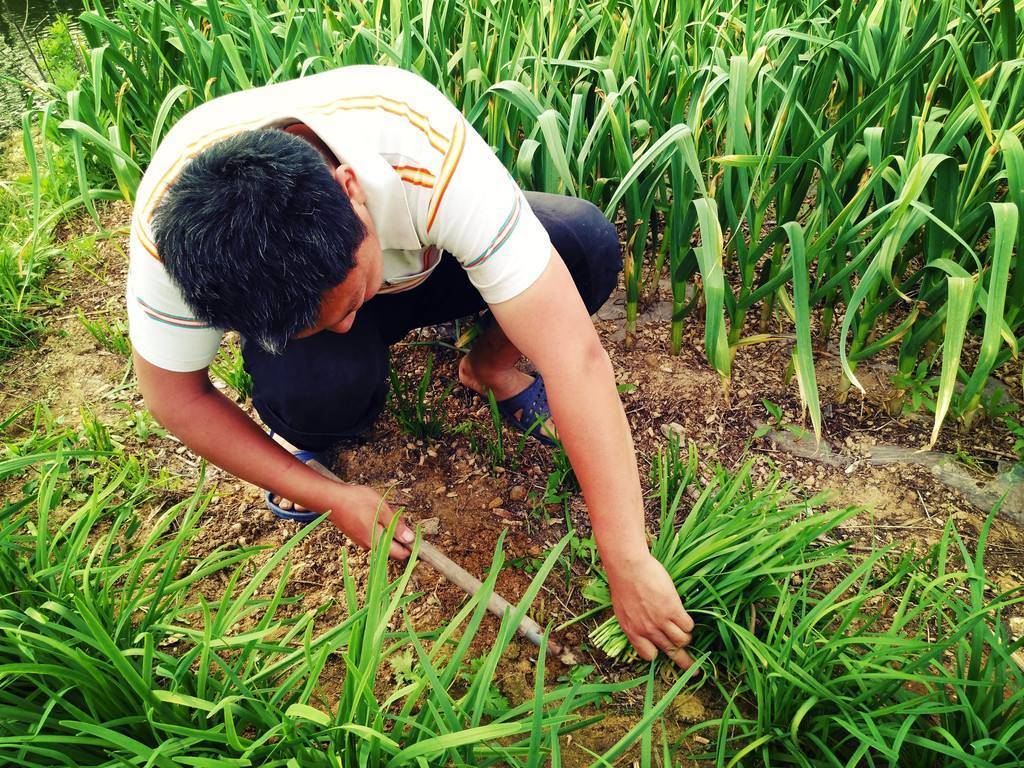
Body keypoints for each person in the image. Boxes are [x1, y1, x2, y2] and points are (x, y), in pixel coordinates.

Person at [127, 64, 694, 667]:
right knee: (316, 390)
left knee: (583, 245)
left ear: (350, 189)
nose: (345, 324)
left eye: (344, 309)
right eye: (319, 325)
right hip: (339, 269)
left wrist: (627, 555)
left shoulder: (420, 146)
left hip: (424, 253)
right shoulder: (174, 243)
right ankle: (305, 423)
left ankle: (488, 366)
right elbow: (174, 398)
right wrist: (326, 494)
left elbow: (577, 358)